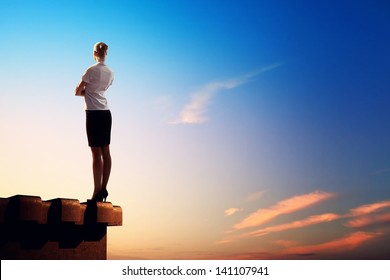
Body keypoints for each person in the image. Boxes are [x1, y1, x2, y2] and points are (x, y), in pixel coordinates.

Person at [75, 42, 114, 202]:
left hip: (93, 114)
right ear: (106, 53)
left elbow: (78, 91)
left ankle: (96, 192)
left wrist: (85, 92)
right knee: (106, 151)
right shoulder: (111, 72)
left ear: (94, 53)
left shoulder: (90, 70)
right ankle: (103, 188)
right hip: (106, 113)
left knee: (96, 154)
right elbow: (102, 90)